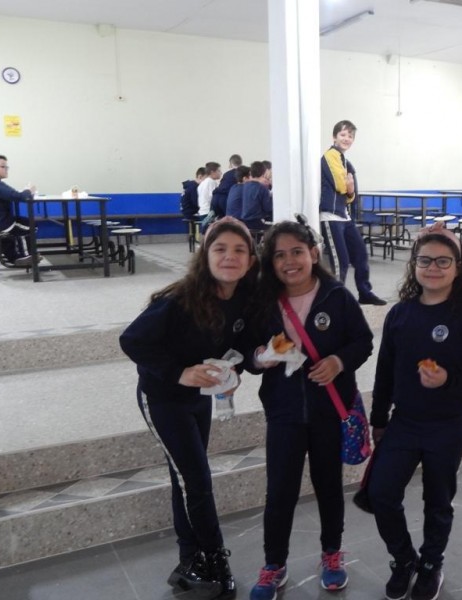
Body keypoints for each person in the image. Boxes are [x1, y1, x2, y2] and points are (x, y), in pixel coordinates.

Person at [119, 217, 260, 600]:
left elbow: (241, 344)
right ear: (205, 255)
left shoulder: (244, 298)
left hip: (199, 398)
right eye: (220, 249)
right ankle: (215, 558)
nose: (230, 257)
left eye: (239, 250)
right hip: (163, 398)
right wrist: (179, 373)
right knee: (197, 481)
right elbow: (132, 340)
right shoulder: (180, 300)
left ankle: (189, 559)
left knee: (185, 478)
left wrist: (237, 368)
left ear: (250, 260)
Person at [367, 222, 462, 600]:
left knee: (437, 501)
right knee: (381, 494)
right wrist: (378, 420)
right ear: (414, 265)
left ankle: (430, 563)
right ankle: (403, 558)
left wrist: (448, 379)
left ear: (458, 267)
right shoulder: (400, 314)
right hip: (404, 422)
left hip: (448, 425)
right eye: (425, 260)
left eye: (443, 261)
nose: (433, 268)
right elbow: (385, 371)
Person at [246, 219, 373, 600]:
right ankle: (273, 564)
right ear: (270, 263)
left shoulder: (337, 297)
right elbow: (250, 353)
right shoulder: (263, 301)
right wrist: (261, 357)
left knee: (328, 485)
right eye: (279, 255)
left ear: (314, 254)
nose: (289, 262)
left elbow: (363, 341)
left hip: (327, 411)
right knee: (280, 491)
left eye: (297, 252)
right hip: (283, 412)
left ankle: (332, 554)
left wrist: (338, 361)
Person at [319, 119, 387, 306]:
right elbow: (341, 185)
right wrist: (348, 188)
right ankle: (334, 300)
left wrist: (349, 190)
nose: (346, 139)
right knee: (340, 261)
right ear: (334, 137)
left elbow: (351, 196)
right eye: (343, 134)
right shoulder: (330, 155)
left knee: (360, 254)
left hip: (344, 216)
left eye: (350, 136)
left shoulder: (345, 161)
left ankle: (365, 293)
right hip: (330, 216)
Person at [0, 153, 36, 266]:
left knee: (16, 226)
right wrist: (29, 191)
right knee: (30, 225)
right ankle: (25, 257)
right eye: (3, 166)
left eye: (6, 167)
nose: (6, 169)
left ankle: (13, 256)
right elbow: (18, 196)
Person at [238, 161, 273, 233]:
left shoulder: (245, 186)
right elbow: (268, 208)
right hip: (257, 222)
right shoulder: (262, 188)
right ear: (263, 173)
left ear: (250, 172)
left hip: (245, 221)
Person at [211, 154, 244, 219]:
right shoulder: (241, 174)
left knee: (220, 220)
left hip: (215, 198)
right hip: (225, 199)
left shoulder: (226, 174)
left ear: (231, 164)